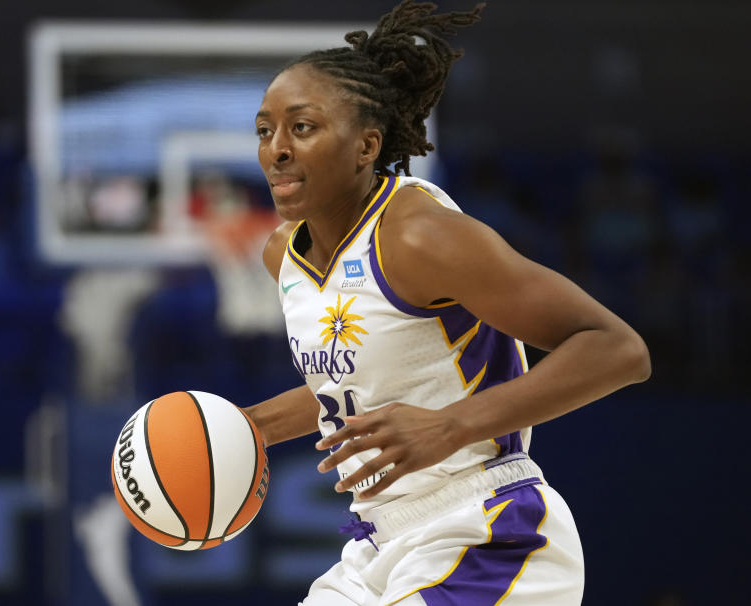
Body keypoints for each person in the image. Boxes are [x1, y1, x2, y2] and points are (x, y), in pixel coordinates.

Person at [246, 2, 651, 604]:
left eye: (301, 128)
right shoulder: (284, 255)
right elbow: (372, 375)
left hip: (486, 528)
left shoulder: (419, 235)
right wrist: (245, 429)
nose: (276, 149)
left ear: (366, 146)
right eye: (265, 130)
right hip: (375, 548)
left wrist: (450, 426)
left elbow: (618, 349)